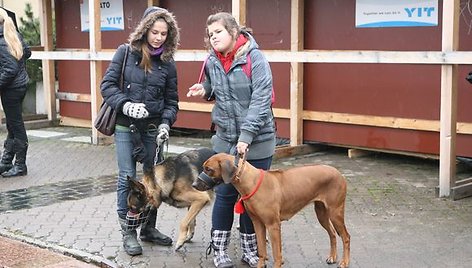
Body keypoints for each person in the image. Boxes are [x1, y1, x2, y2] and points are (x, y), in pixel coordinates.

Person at [187, 12, 276, 268]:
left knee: (252, 198)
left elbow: (261, 102)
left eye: (218, 32)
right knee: (225, 193)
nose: (213, 37)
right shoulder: (213, 60)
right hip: (225, 140)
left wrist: (246, 137)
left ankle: (252, 250)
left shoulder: (255, 59)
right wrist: (204, 89)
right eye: (210, 34)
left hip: (257, 141)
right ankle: (219, 250)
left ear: (234, 32)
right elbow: (213, 85)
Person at [100, 6, 180, 256]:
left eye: (164, 33)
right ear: (145, 30)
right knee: (127, 176)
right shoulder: (125, 53)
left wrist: (167, 122)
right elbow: (107, 85)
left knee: (152, 179)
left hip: (153, 129)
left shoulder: (168, 63)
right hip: (127, 125)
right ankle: (129, 233)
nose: (158, 37)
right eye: (154, 32)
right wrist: (126, 104)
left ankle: (148, 228)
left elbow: (172, 101)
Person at [0, 8, 31, 178]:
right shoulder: (13, 35)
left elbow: (9, 69)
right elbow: (27, 52)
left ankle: (20, 165)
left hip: (11, 90)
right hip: (20, 86)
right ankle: (6, 162)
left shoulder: (1, 41)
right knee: (12, 125)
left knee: (16, 127)